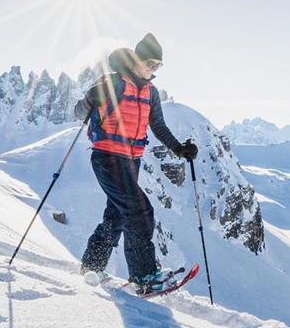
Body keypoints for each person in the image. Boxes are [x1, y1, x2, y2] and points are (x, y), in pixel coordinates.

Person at [72, 33, 199, 294]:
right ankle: (144, 276)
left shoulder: (151, 92)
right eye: (150, 63)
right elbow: (78, 112)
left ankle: (91, 266)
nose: (153, 70)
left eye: (158, 66)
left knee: (117, 215)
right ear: (136, 59)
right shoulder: (114, 83)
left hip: (132, 161)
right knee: (140, 211)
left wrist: (179, 149)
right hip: (107, 156)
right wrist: (89, 100)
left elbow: (158, 126)